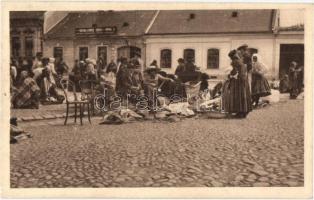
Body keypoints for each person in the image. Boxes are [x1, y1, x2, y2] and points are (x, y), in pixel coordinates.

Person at [222, 49, 252, 118]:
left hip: (238, 81)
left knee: (238, 96)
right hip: (244, 81)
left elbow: (234, 72)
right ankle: (244, 112)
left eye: (230, 58)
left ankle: (240, 112)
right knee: (244, 96)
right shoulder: (241, 61)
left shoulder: (234, 62)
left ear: (232, 57)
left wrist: (229, 76)